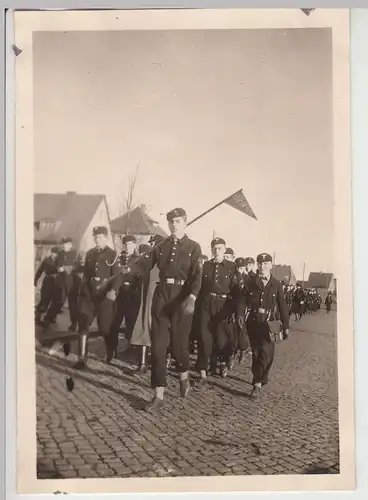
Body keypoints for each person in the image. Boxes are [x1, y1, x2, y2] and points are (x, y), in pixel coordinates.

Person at [119, 208, 202, 410]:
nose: (174, 224)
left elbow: (197, 276)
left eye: (178, 221)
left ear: (185, 223)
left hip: (181, 299)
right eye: (171, 221)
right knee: (158, 348)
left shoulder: (193, 247)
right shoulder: (162, 245)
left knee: (179, 348)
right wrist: (131, 270)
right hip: (161, 298)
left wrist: (192, 297)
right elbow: (145, 264)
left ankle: (184, 375)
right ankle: (158, 394)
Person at [243, 253, 290, 400]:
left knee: (267, 354)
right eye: (260, 264)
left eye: (265, 264)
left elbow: (282, 306)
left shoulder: (276, 284)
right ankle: (257, 382)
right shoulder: (251, 282)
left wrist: (286, 325)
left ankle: (260, 379)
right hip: (254, 321)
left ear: (270, 265)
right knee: (256, 353)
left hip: (270, 324)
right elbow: (243, 300)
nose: (262, 267)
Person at [195, 237, 242, 384]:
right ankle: (202, 371)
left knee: (221, 338)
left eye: (220, 248)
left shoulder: (231, 267)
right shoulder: (206, 266)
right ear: (211, 250)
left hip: (224, 304)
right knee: (204, 337)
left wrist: (238, 311)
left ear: (224, 249)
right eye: (214, 248)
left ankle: (223, 361)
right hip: (206, 303)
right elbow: (199, 285)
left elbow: (237, 292)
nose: (217, 251)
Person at [73, 226, 121, 370]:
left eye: (100, 237)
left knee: (105, 327)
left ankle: (111, 347)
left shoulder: (113, 254)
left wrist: (113, 290)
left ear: (106, 237)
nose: (97, 239)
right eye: (96, 237)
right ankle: (82, 359)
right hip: (89, 295)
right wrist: (82, 292)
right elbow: (87, 275)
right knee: (83, 323)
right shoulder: (90, 253)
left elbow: (117, 276)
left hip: (104, 296)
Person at [107, 235, 141, 362]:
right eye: (125, 245)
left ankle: (131, 350)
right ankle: (112, 350)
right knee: (114, 324)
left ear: (134, 245)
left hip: (132, 296)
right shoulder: (119, 259)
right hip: (119, 296)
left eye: (130, 244)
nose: (127, 247)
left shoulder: (138, 260)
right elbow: (116, 275)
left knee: (131, 325)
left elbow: (140, 276)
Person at [34, 246, 59, 326]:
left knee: (56, 300)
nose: (56, 255)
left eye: (57, 253)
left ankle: (51, 317)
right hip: (48, 282)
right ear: (52, 253)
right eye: (55, 253)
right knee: (45, 300)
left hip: (57, 283)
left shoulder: (60, 261)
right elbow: (40, 270)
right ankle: (37, 318)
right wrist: (35, 280)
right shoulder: (47, 260)